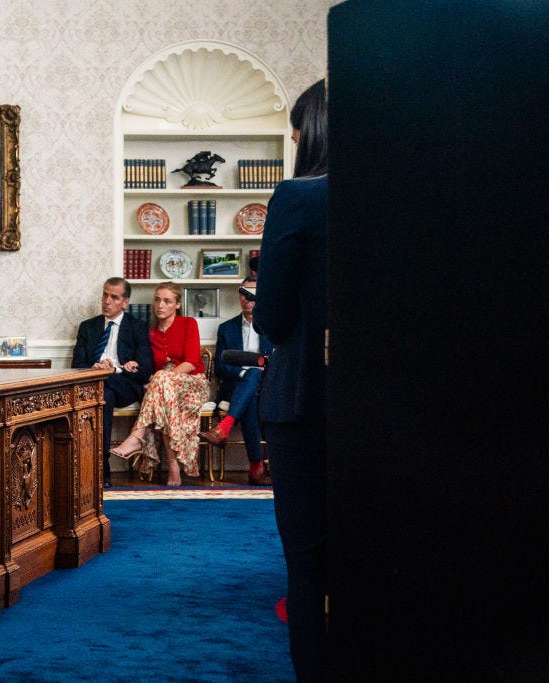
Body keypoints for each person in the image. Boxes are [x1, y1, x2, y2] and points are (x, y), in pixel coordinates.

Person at [253, 79, 329, 681]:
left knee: (308, 569)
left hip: (307, 397)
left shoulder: (299, 198)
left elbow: (274, 319)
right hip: (404, 404)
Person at [109, 282, 209, 487]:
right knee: (165, 401)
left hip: (193, 385)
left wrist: (160, 378)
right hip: (165, 391)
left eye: (167, 301)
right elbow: (146, 367)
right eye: (157, 299)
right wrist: (133, 364)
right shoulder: (150, 332)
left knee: (162, 381)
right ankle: (174, 468)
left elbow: (190, 363)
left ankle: (137, 435)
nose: (160, 305)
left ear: (177, 305)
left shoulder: (188, 323)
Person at [71, 277, 153, 488]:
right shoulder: (88, 327)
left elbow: (145, 370)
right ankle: (102, 467)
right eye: (105, 295)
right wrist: (95, 368)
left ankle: (99, 467)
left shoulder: (138, 327)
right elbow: (76, 365)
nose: (107, 301)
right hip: (98, 385)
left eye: (114, 297)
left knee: (107, 387)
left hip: (125, 385)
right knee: (104, 396)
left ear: (125, 302)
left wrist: (115, 369)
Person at [199, 276, 275, 485]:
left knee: (255, 378)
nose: (247, 298)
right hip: (235, 387)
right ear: (240, 296)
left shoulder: (271, 327)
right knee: (250, 386)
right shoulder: (227, 328)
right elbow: (222, 368)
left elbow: (276, 362)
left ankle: (224, 429)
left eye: (253, 294)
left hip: (267, 387)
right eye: (244, 293)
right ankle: (255, 470)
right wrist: (246, 373)